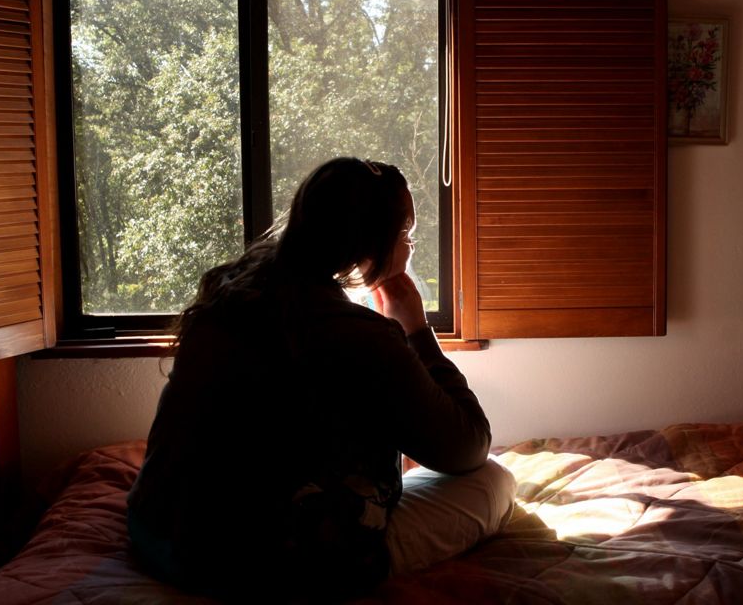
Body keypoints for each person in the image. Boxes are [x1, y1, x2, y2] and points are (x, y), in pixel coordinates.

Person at [126, 157, 515, 602]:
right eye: (405, 235)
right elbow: (468, 446)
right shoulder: (361, 336)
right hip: (267, 564)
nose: (409, 248)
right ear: (372, 242)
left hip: (158, 530)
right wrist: (417, 331)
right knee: (494, 481)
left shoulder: (227, 294)